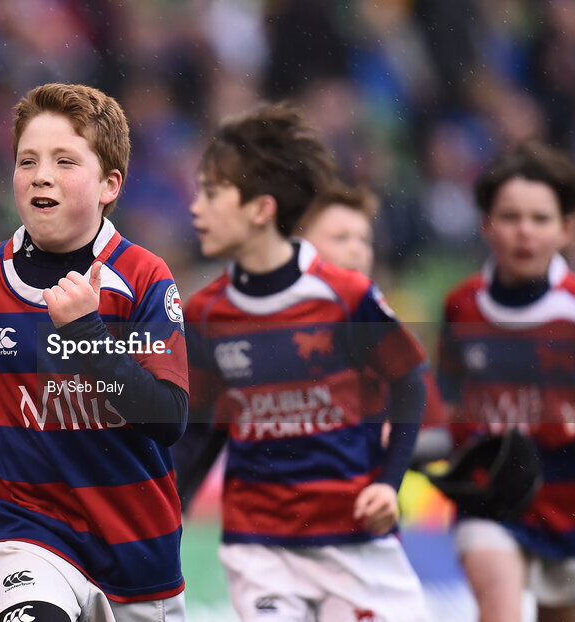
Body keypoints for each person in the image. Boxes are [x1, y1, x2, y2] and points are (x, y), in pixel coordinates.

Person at [0, 83, 189, 621]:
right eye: (27, 161)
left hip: (136, 550)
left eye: (65, 161)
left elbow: (167, 417)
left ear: (109, 185)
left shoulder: (144, 277)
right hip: (25, 529)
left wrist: (86, 336)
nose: (41, 175)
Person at [175, 103, 430, 621]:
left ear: (260, 210)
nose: (195, 208)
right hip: (259, 547)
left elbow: (410, 380)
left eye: (211, 193)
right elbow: (201, 430)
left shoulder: (346, 296)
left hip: (355, 539)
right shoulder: (205, 312)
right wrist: (165, 514)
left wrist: (389, 481)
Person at [437, 141, 575, 622]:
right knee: (500, 610)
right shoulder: (462, 305)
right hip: (493, 499)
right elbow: (448, 399)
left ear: (566, 229)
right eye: (510, 217)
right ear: (486, 225)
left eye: (540, 218)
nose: (524, 231)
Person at [295, 183, 451, 466]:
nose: (357, 250)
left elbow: (439, 435)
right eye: (340, 238)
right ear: (299, 245)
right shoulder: (272, 330)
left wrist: (393, 440)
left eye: (365, 240)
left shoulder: (388, 334)